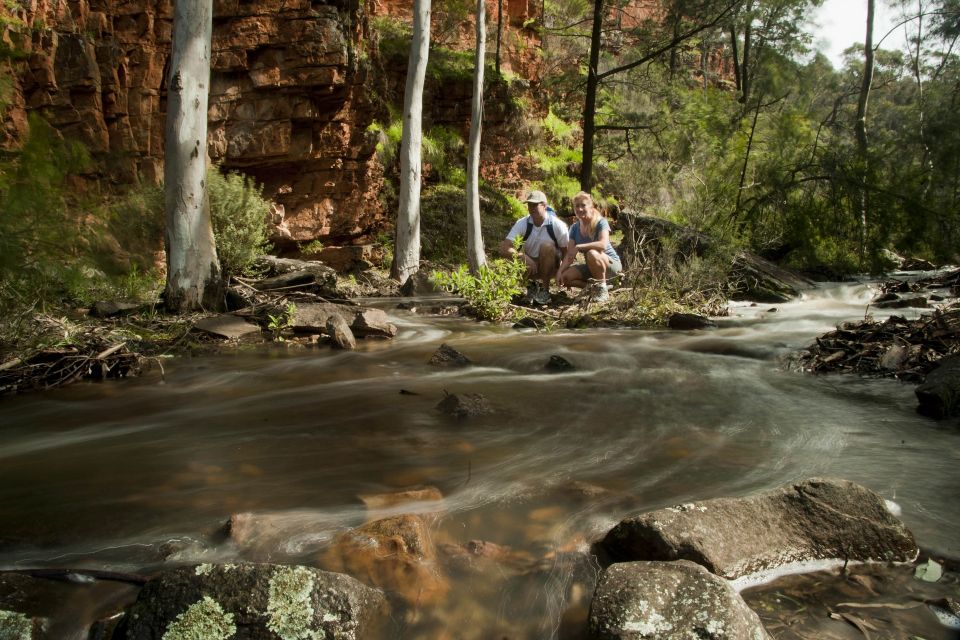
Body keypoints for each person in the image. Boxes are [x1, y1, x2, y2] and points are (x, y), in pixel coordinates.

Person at [500, 190, 569, 304]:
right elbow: (504, 248)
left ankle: (545, 291)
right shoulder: (522, 223)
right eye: (529, 205)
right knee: (511, 257)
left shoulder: (557, 225)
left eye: (535, 205)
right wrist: (523, 256)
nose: (531, 208)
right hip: (531, 263)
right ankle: (531, 287)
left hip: (553, 266)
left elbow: (566, 253)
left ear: (544, 206)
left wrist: (563, 272)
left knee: (546, 246)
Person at [557, 191, 622, 302]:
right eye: (577, 206)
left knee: (592, 253)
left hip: (610, 265)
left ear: (591, 207)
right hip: (591, 266)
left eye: (583, 205)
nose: (580, 209)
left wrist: (579, 247)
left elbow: (603, 245)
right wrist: (560, 271)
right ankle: (593, 288)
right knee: (565, 277)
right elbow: (570, 255)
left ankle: (602, 290)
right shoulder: (574, 228)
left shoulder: (601, 222)